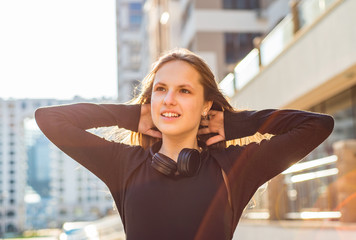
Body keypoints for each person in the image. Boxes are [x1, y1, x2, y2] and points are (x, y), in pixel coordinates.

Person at [35, 48, 334, 240]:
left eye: (184, 91)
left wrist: (234, 123)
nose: (168, 99)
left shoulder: (233, 168)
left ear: (206, 105)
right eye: (161, 89)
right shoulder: (123, 164)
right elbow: (49, 120)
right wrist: (130, 114)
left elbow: (317, 126)